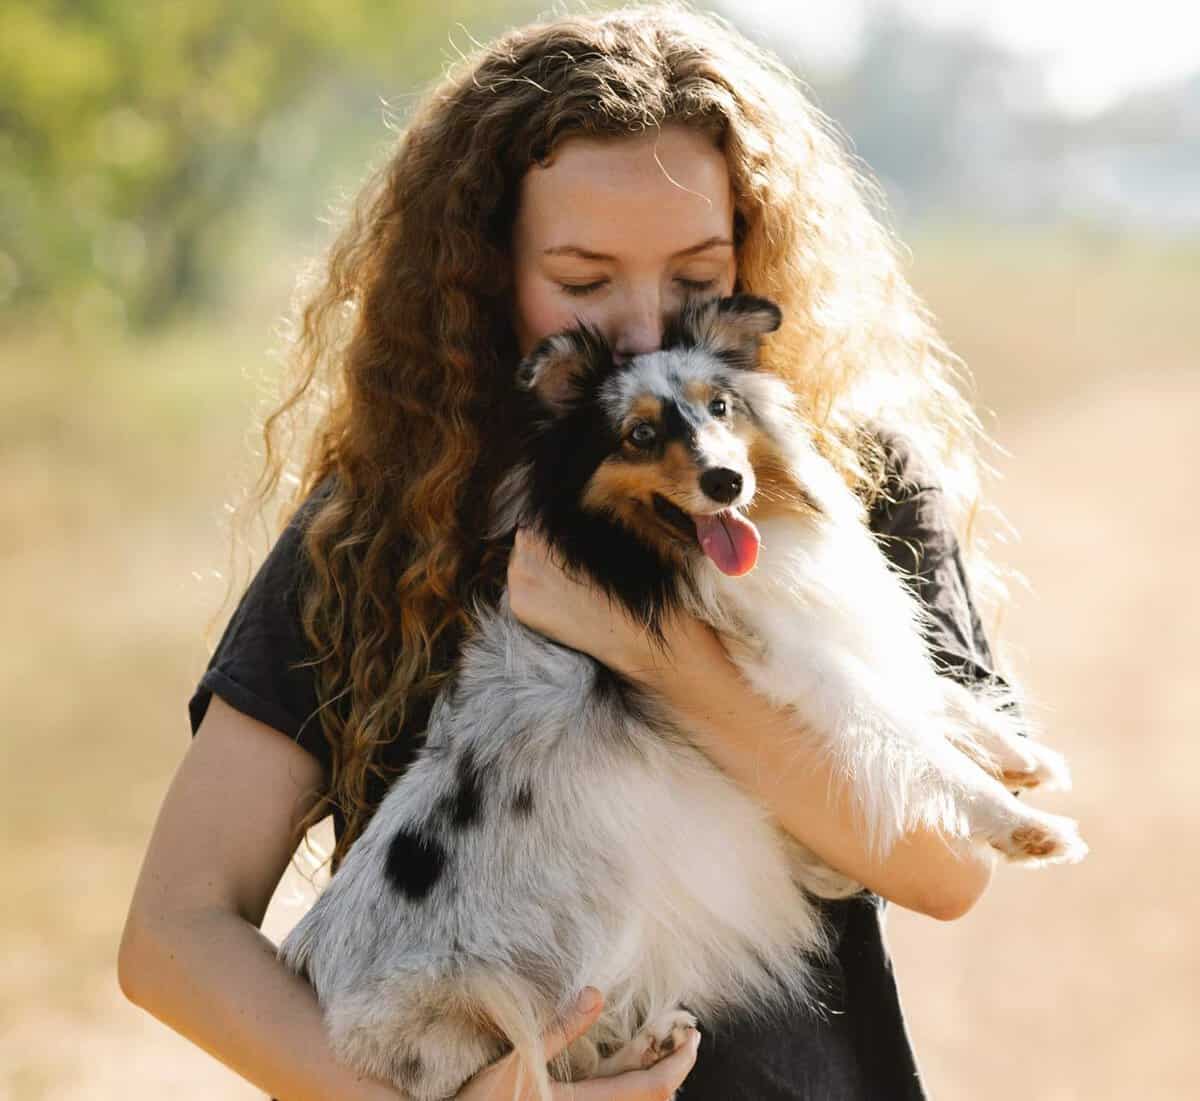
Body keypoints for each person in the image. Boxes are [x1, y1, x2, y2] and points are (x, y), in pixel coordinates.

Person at [119, 5, 1018, 1099]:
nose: (644, 328)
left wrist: (650, 649)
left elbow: (948, 866)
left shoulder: (843, 478)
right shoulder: (382, 516)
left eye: (696, 277)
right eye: (585, 283)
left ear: (750, 253)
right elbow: (173, 931)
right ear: (486, 272)